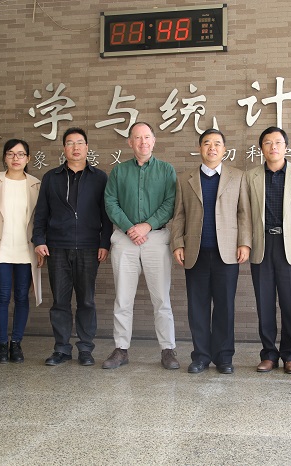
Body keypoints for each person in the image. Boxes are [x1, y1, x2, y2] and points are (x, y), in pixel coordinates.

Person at [170, 129, 252, 375]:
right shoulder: (185, 178)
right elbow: (179, 215)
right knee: (198, 307)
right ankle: (201, 357)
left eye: (217, 143)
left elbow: (243, 213)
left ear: (224, 149)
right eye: (207, 143)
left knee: (225, 307)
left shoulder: (238, 177)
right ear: (200, 148)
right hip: (195, 252)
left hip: (226, 253)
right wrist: (178, 243)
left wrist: (244, 243)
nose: (212, 148)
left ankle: (224, 357)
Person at [102, 122, 179, 370]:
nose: (143, 142)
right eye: (137, 138)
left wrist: (147, 226)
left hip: (155, 237)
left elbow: (170, 203)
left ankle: (167, 349)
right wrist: (129, 228)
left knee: (161, 298)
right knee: (123, 298)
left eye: (147, 137)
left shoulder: (166, 170)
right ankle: (121, 349)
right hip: (125, 239)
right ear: (130, 142)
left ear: (154, 141)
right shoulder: (119, 171)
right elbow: (110, 202)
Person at [33, 128, 112, 367]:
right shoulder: (51, 177)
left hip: (89, 247)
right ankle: (61, 349)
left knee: (87, 301)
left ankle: (86, 349)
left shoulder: (100, 177)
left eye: (79, 143)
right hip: (57, 247)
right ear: (64, 148)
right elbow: (41, 213)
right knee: (60, 301)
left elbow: (106, 215)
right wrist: (39, 240)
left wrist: (104, 243)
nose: (75, 147)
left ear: (87, 147)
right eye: (70, 143)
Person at [246, 127, 291, 375]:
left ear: (286, 146)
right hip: (262, 245)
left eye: (278, 142)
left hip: (289, 246)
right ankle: (268, 354)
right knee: (264, 303)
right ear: (261, 148)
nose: (273, 147)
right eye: (267, 142)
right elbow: (246, 214)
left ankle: (290, 355)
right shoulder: (250, 176)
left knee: (289, 303)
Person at [0, 139, 42, 364]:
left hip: (25, 248)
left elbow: (40, 219)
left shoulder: (35, 184)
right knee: (2, 296)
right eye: (11, 153)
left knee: (22, 296)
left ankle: (16, 344)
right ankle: (2, 344)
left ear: (28, 158)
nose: (15, 158)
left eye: (21, 154)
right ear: (4, 157)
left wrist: (40, 246)